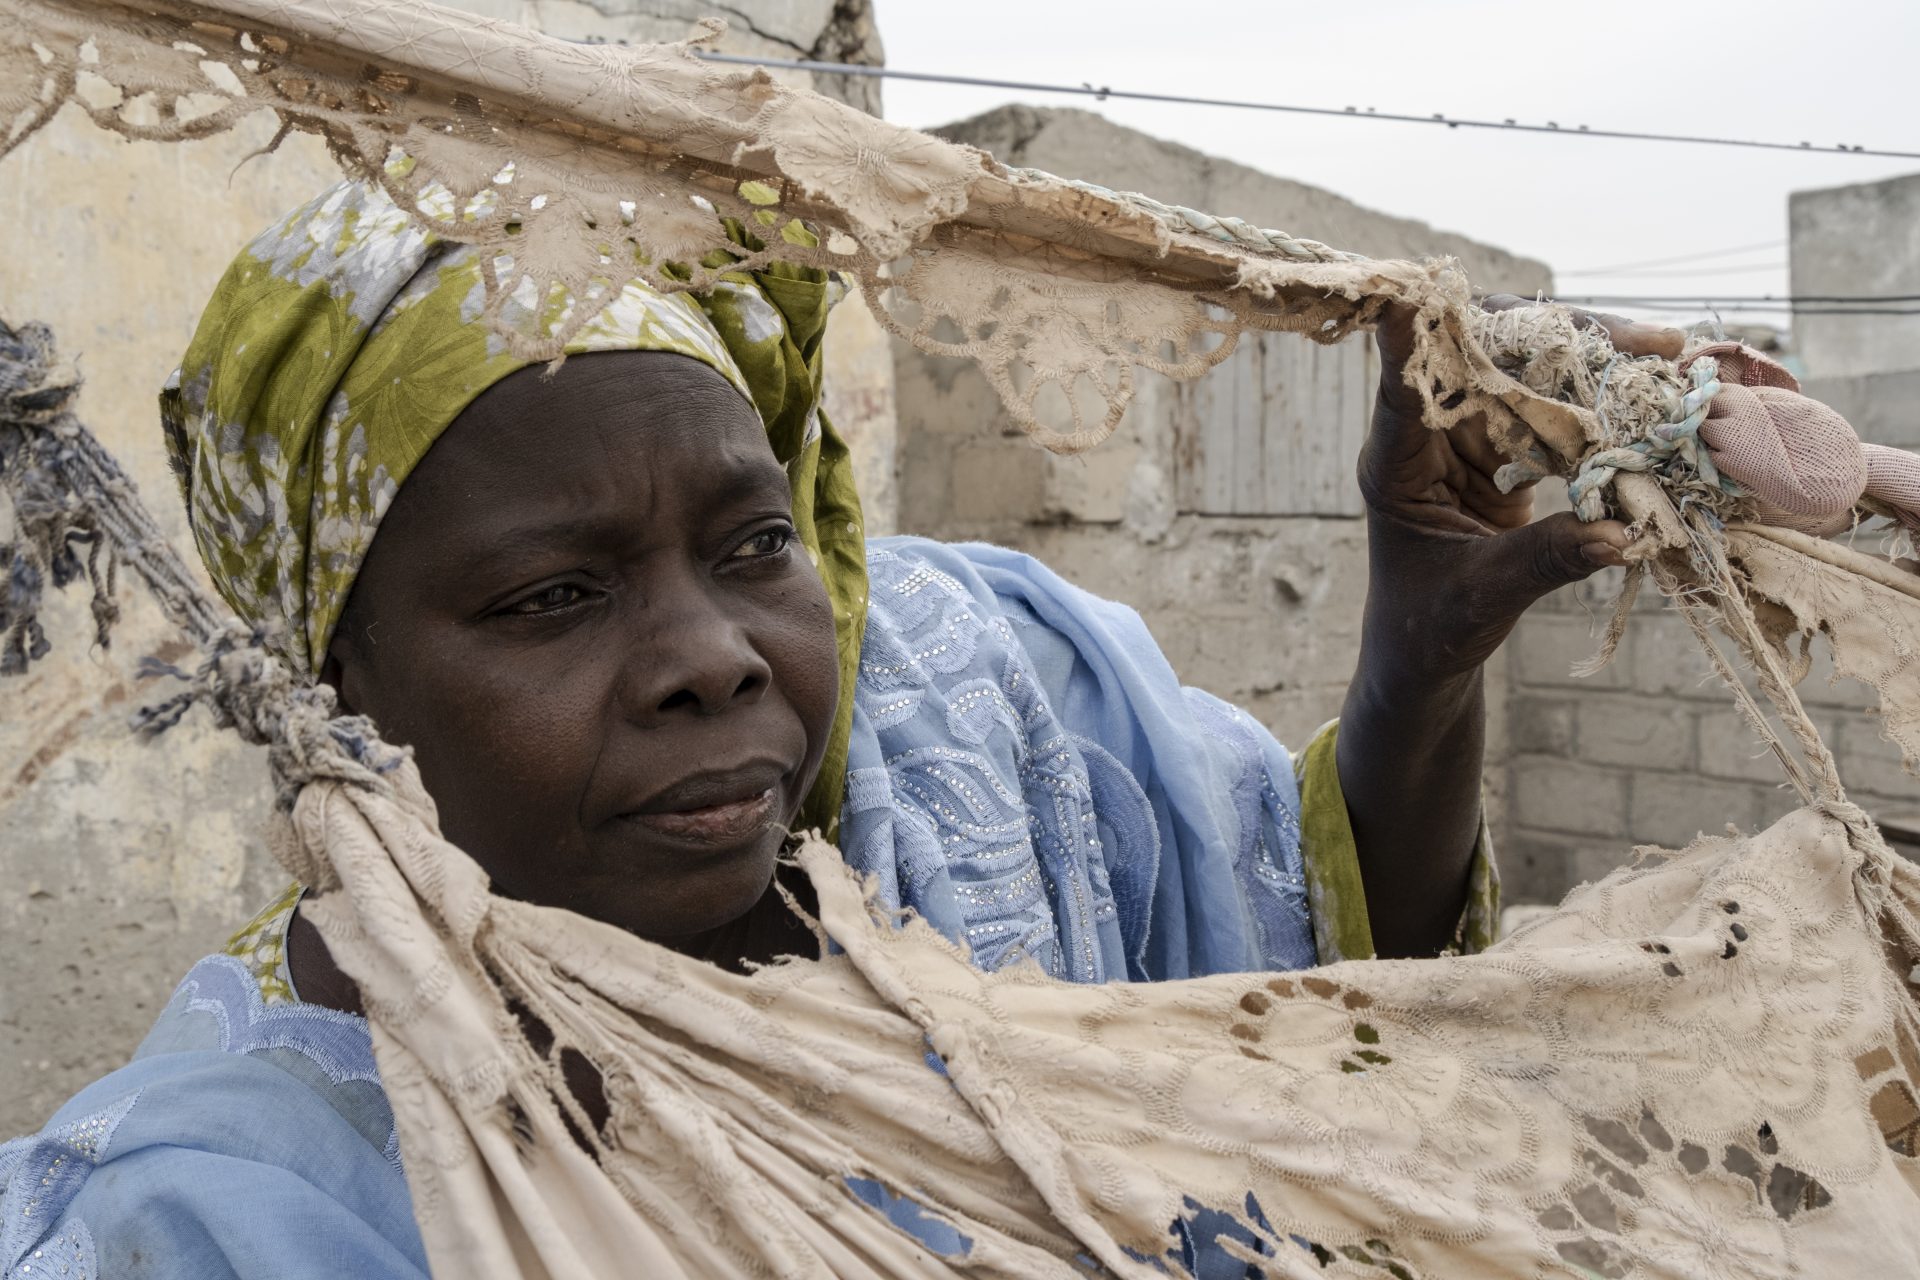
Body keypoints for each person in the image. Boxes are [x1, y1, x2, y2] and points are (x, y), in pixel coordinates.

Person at [0, 179, 1678, 1278]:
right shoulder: (229, 1203)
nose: (714, 659)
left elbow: (1315, 1004)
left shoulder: (961, 738)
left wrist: (1417, 668)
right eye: (553, 597)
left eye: (753, 546)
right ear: (333, 682)